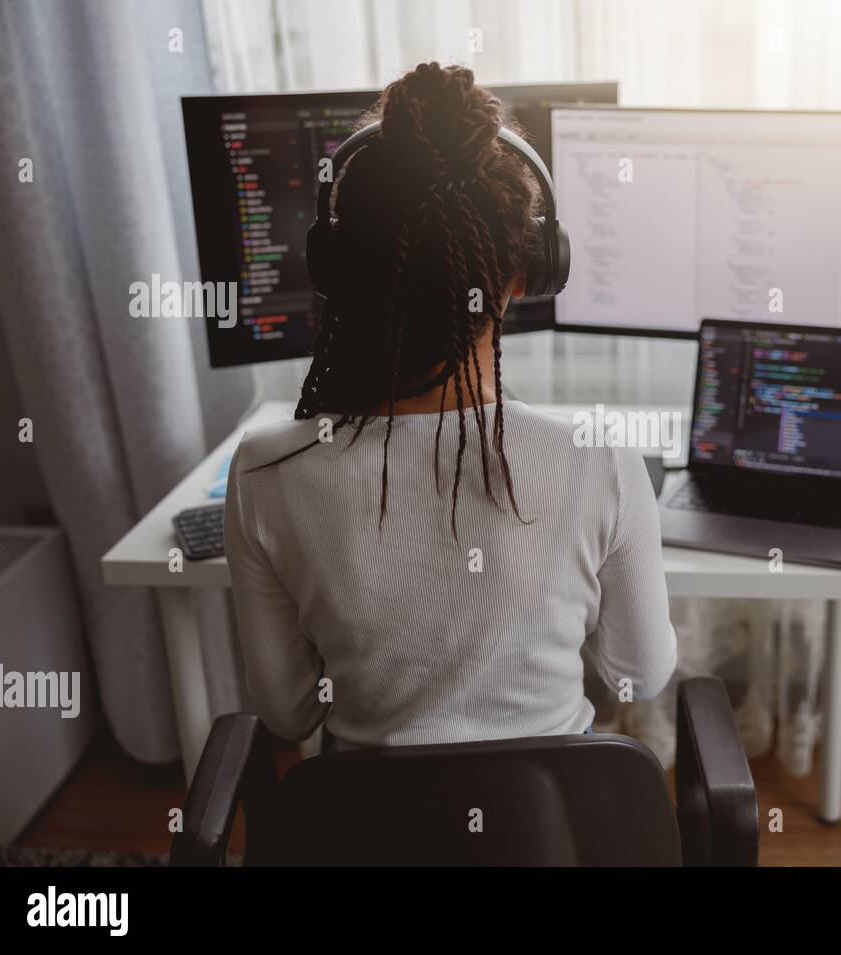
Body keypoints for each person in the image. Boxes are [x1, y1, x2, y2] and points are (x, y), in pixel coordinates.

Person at [224, 63, 676, 748]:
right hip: (554, 839)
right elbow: (637, 679)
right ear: (531, 270)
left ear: (339, 269)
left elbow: (289, 715)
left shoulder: (265, 473)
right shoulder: (601, 462)